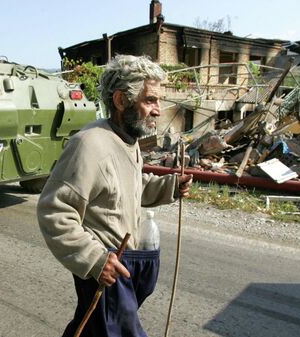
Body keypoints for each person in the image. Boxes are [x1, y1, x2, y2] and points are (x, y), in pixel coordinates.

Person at [37, 54, 193, 337]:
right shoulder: (89, 144)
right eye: (149, 100)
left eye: (158, 101)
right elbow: (54, 210)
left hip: (125, 262)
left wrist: (170, 186)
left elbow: (127, 188)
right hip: (105, 267)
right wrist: (95, 259)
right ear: (121, 101)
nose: (158, 110)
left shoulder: (128, 140)